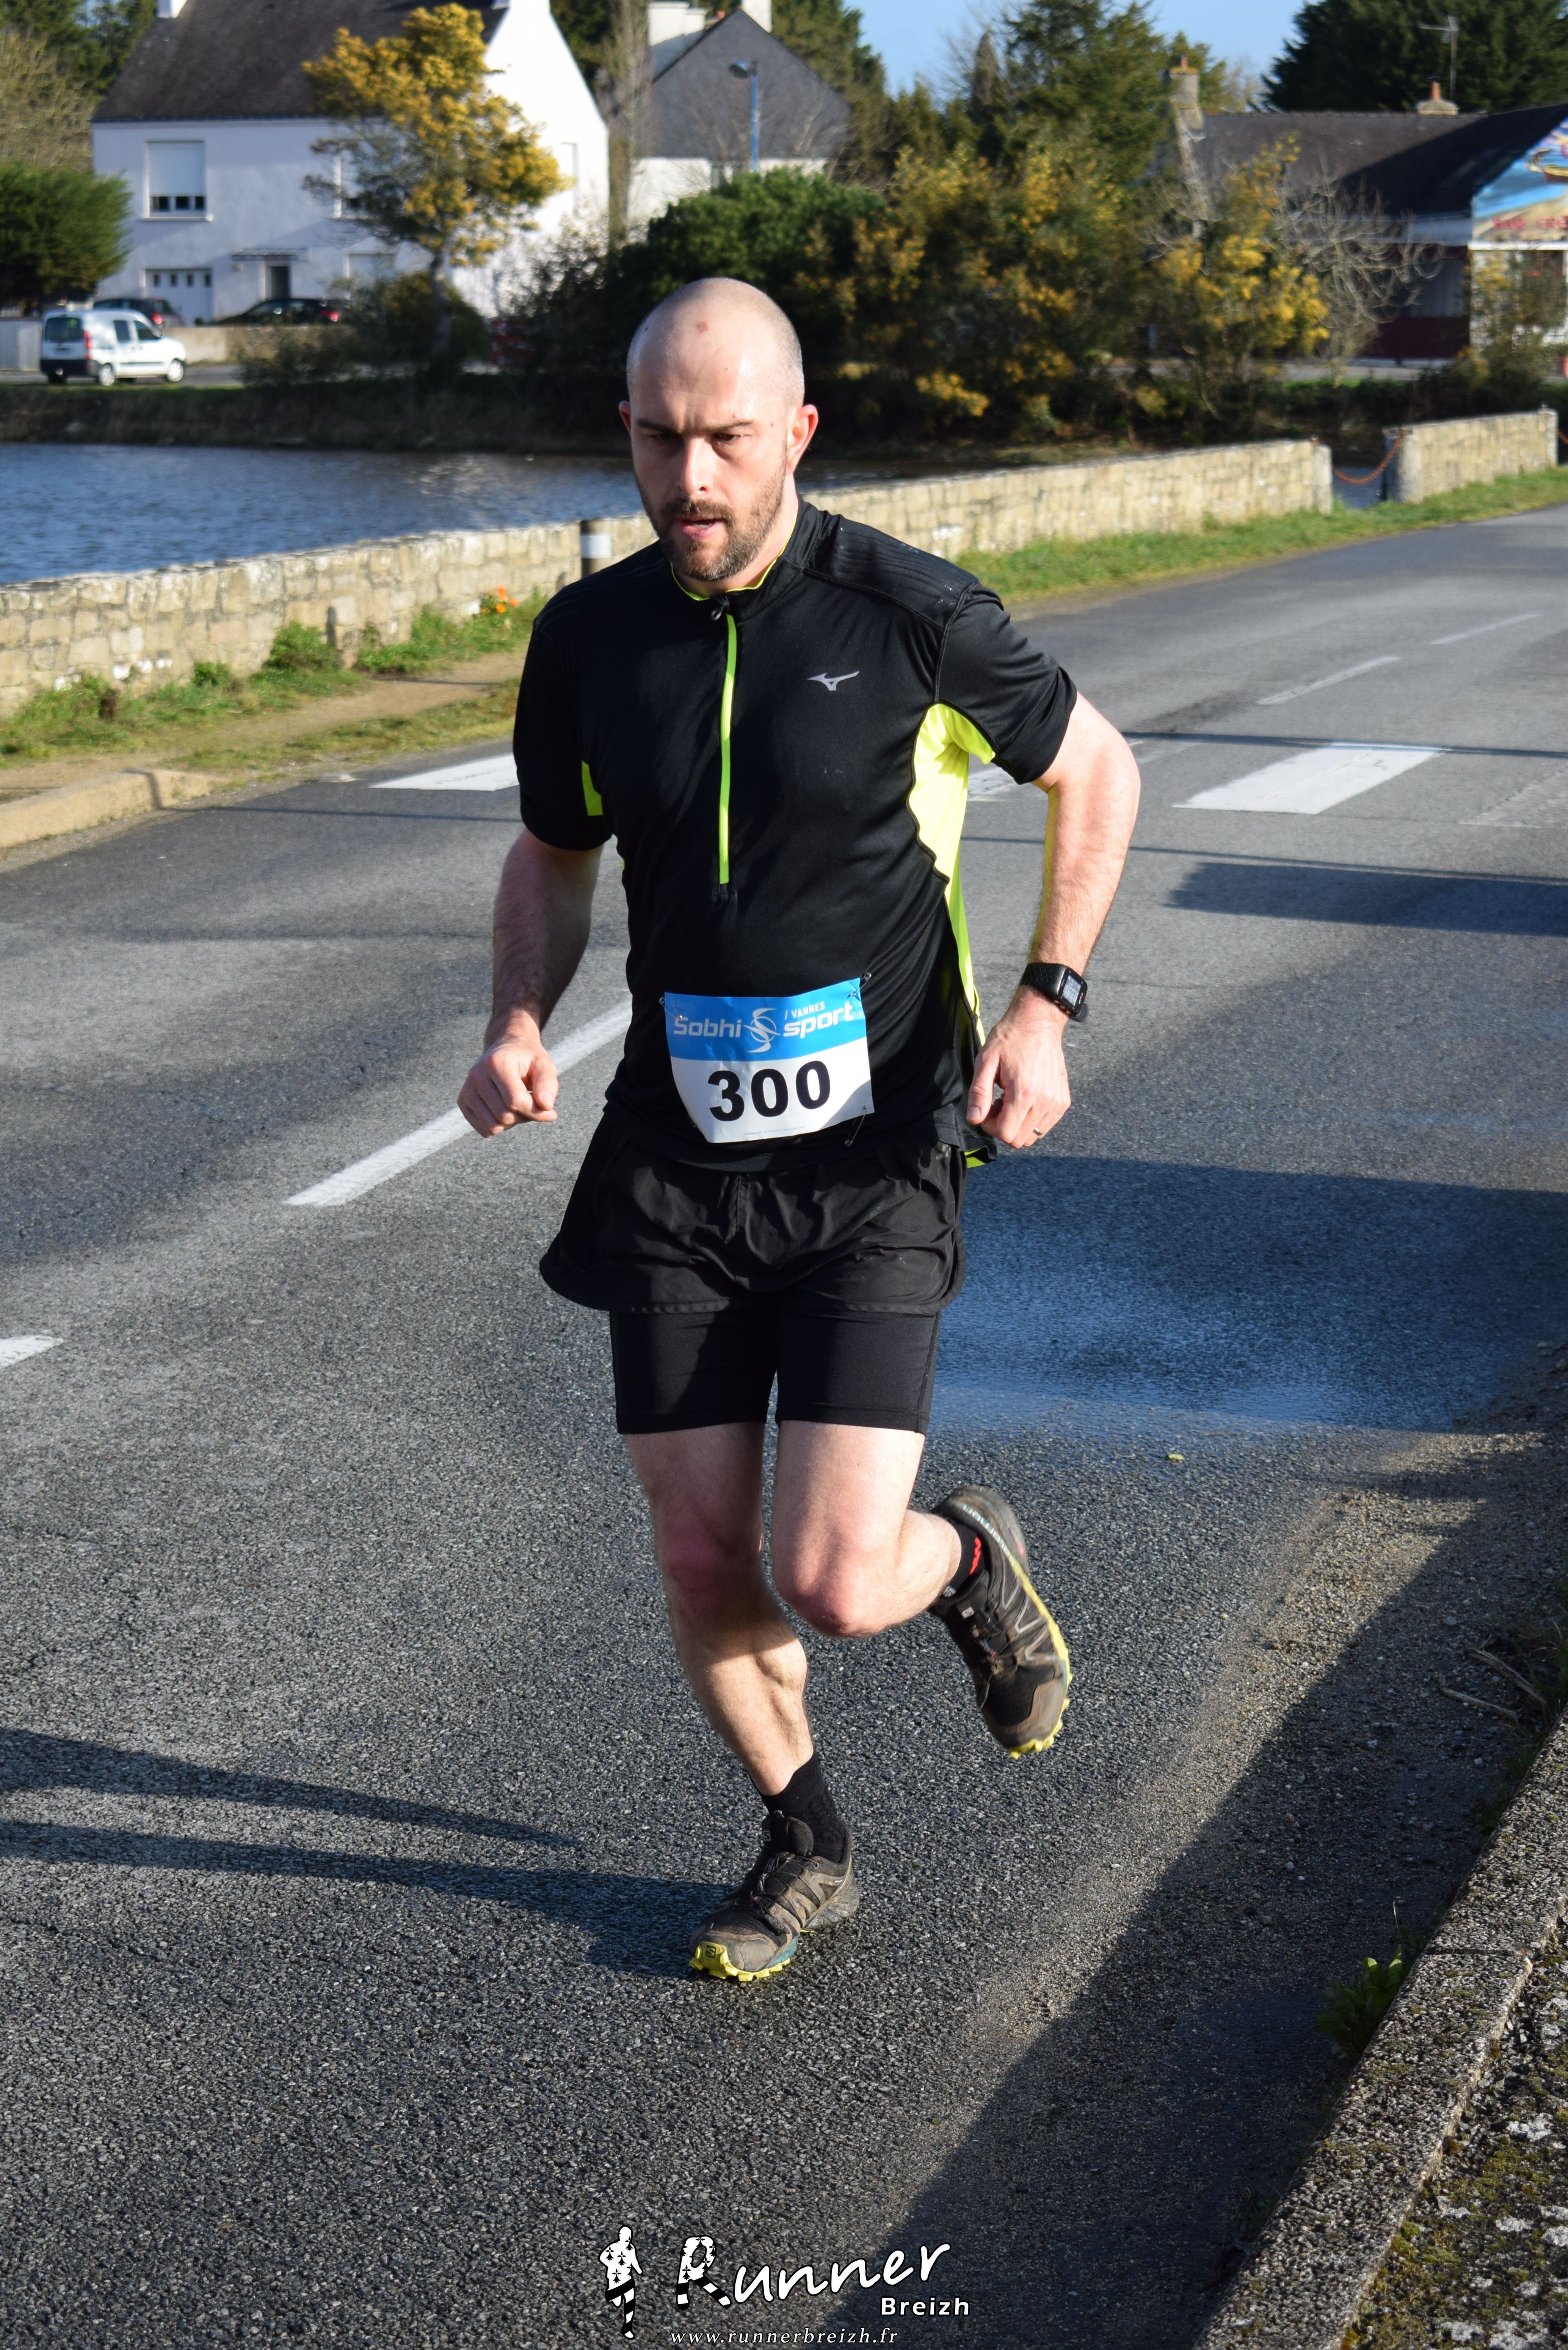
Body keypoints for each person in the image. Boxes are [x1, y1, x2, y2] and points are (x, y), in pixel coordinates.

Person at [458, 278, 1141, 1985]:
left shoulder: (911, 615)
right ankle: (802, 1833)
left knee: (833, 1575)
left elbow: (1098, 770)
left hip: (873, 1150)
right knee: (700, 1545)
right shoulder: (589, 638)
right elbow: (554, 850)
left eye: (726, 439)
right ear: (624, 430)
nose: (689, 477)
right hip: (673, 1157)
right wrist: (518, 1016)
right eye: (658, 438)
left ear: (800, 434)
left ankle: (965, 1553)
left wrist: (1047, 1004)